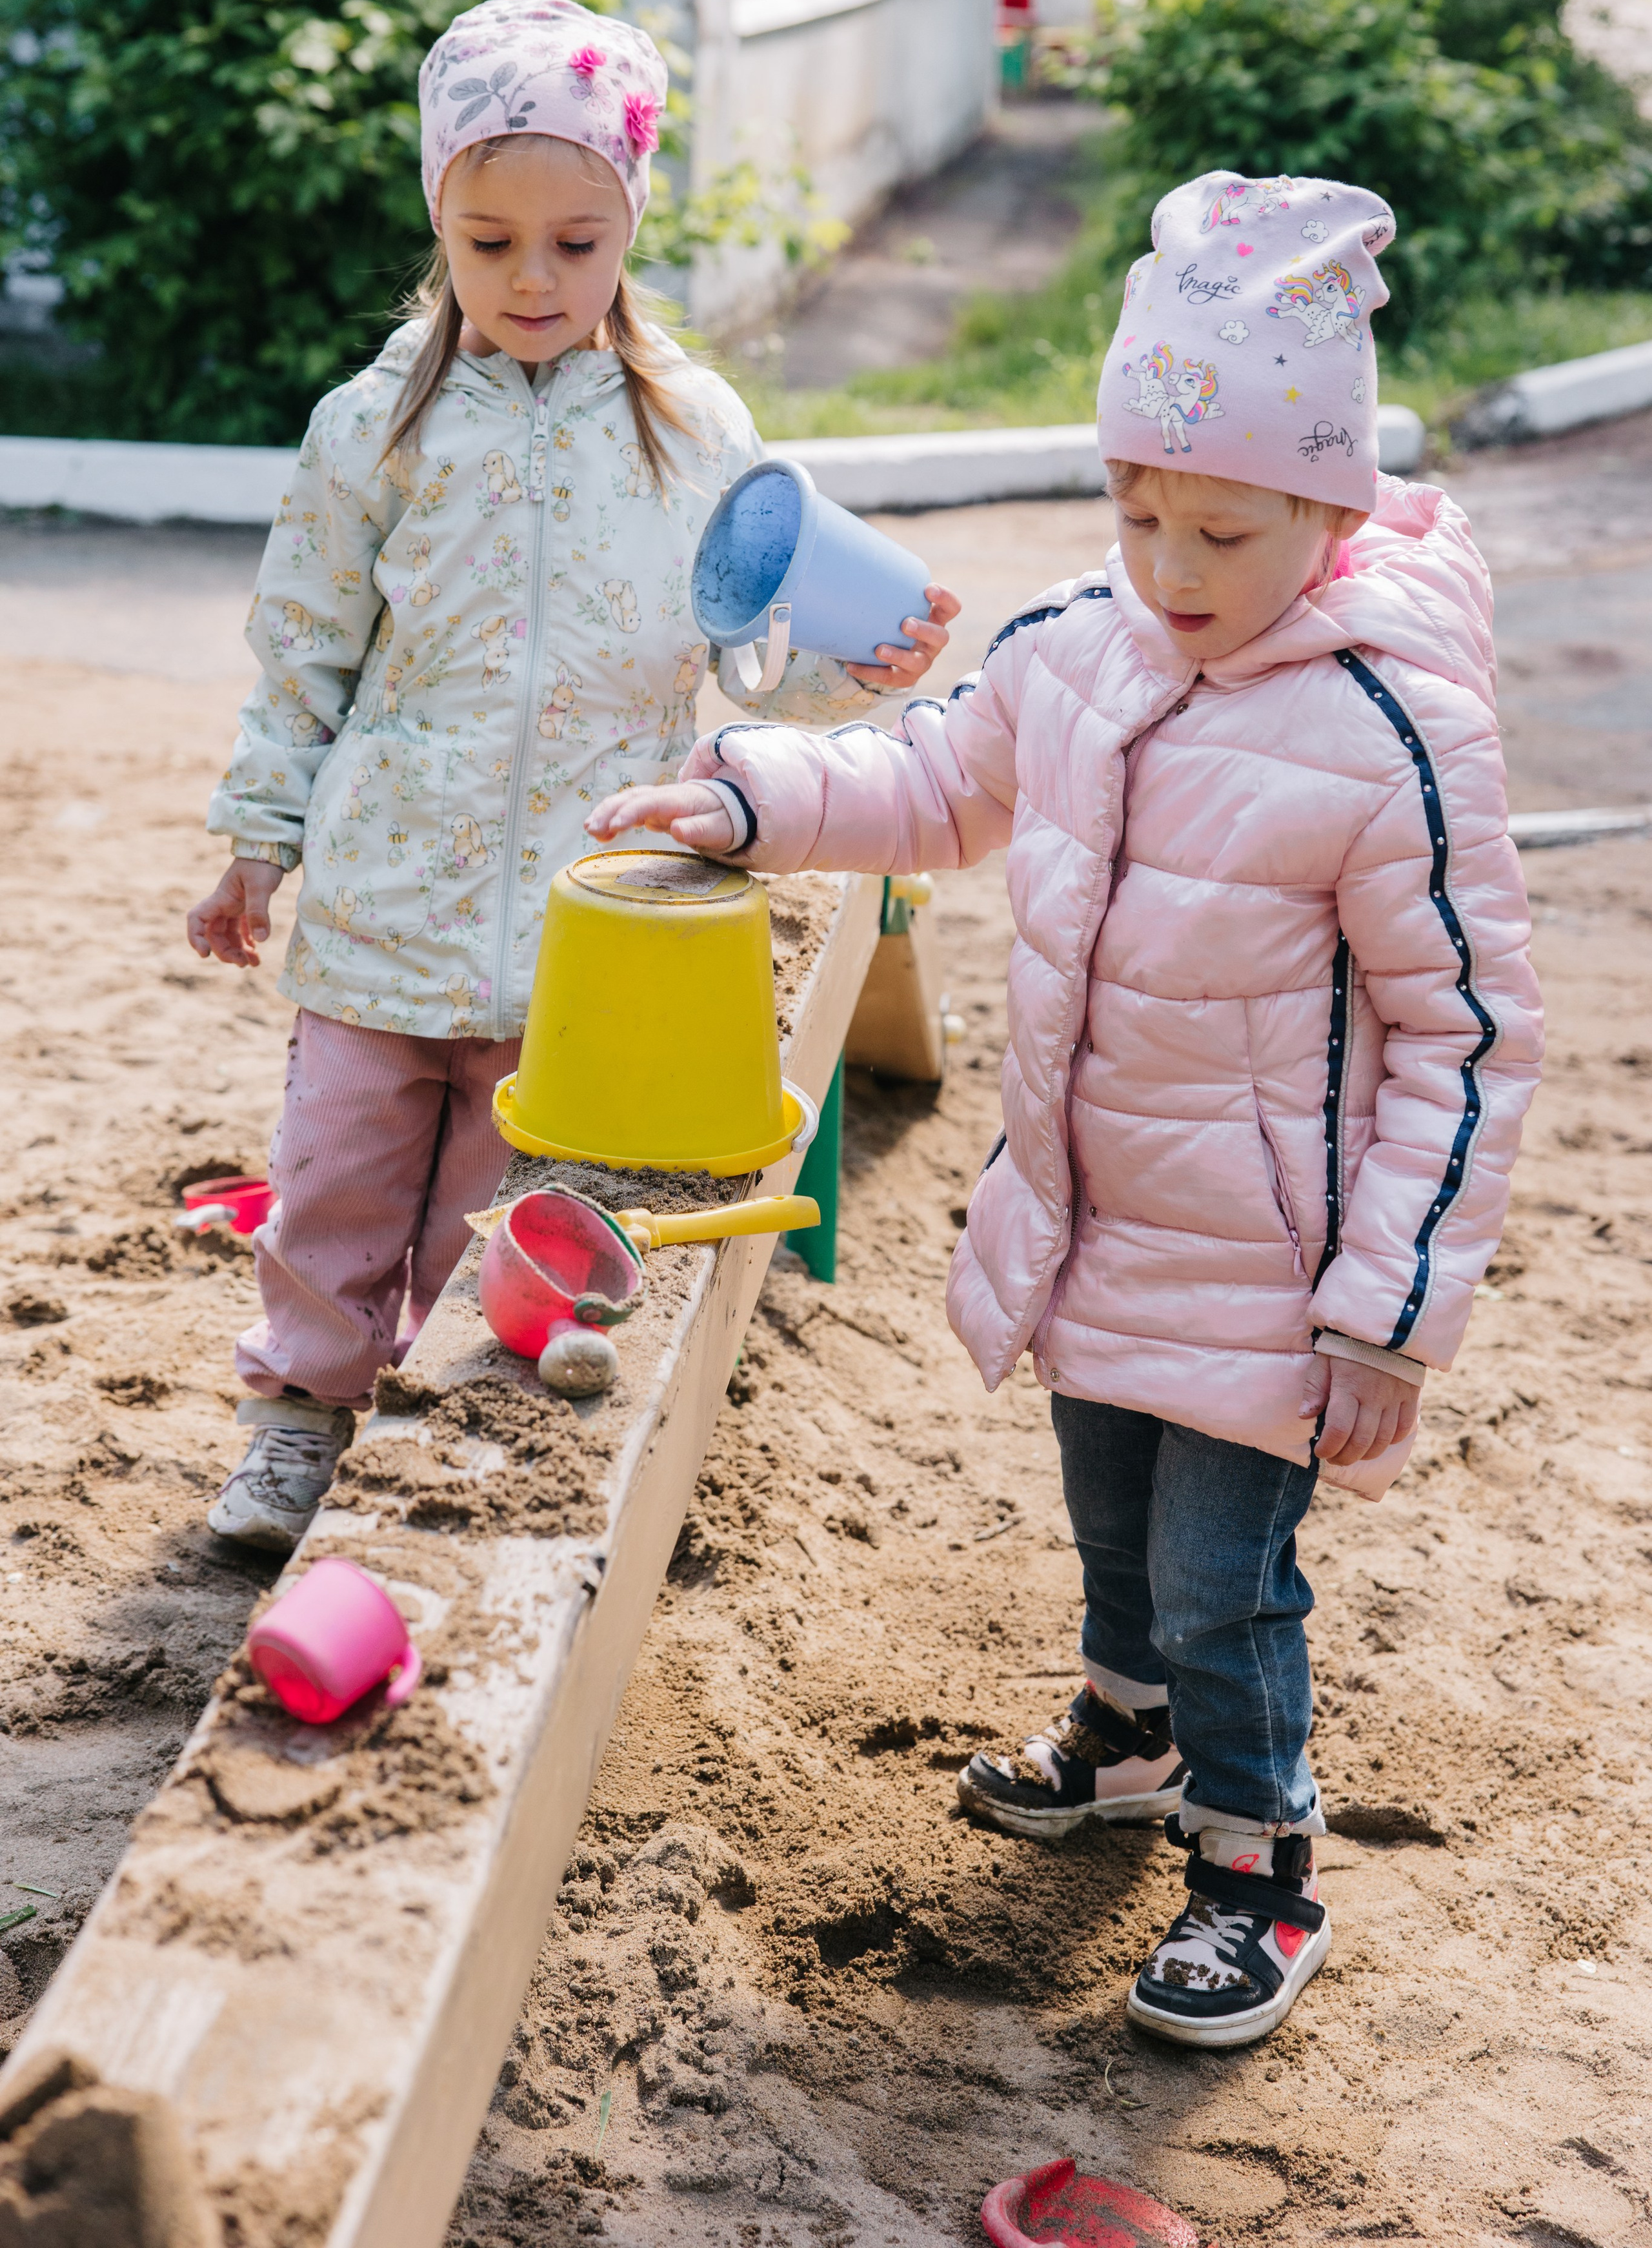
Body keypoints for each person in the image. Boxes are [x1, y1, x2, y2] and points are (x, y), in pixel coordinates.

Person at [584, 169, 1542, 2049]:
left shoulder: (1390, 732)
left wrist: (1391, 1315)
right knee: (1112, 1517)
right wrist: (764, 799)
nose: (1172, 569)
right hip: (1094, 1210)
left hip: (1279, 1270)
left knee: (1221, 1582)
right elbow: (943, 779)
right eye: (1139, 510)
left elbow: (1472, 1035)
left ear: (1334, 514)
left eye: (1226, 532)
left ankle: (1256, 1861)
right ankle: (1126, 1736)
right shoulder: (1088, 642)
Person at [185, 0, 956, 1553]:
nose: (532, 280)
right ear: (440, 227)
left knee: (505, 1210)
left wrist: (851, 676)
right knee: (334, 1186)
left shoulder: (694, 430)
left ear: (629, 229)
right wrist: (258, 841)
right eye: (489, 242)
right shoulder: (374, 434)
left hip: (576, 924)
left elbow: (744, 662)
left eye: (576, 242)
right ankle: (295, 1422)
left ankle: (436, 1436)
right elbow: (304, 655)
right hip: (384, 908)